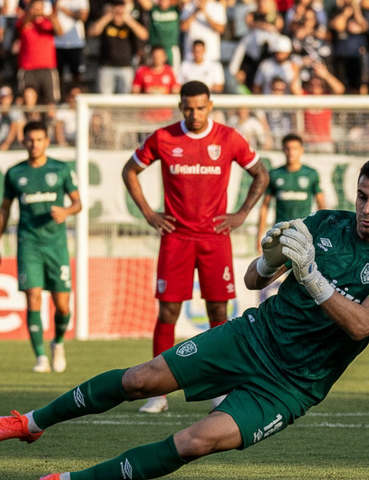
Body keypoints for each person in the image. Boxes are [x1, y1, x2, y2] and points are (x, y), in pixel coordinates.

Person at [0, 155, 369, 480]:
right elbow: (252, 280)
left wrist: (311, 276)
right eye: (363, 196)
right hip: (251, 337)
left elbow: (363, 324)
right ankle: (29, 423)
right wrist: (268, 260)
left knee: (194, 443)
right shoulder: (328, 221)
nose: (367, 209)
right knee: (140, 380)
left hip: (292, 385)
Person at [121, 80, 269, 413]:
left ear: (210, 106)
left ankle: (218, 387)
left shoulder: (228, 138)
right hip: (176, 238)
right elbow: (130, 171)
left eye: (201, 107)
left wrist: (242, 214)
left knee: (219, 312)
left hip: (215, 238)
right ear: (180, 106)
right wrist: (148, 213)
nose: (195, 113)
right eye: (188, 107)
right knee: (168, 311)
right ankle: (157, 392)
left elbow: (261, 174)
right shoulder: (164, 137)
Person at [0, 121, 82, 373]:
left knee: (62, 305)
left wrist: (65, 211)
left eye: (39, 140)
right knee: (33, 299)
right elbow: (5, 210)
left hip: (56, 245)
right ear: (24, 142)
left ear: (47, 141)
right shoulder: (14, 173)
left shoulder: (60, 169)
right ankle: (41, 357)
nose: (34, 144)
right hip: (28, 244)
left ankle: (59, 343)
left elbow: (77, 204)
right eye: (30, 140)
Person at [256, 133, 325, 253]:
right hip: (280, 234)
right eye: (288, 148)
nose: (291, 152)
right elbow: (264, 206)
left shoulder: (311, 174)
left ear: (301, 150)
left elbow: (321, 206)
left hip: (304, 233)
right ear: (283, 150)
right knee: (277, 270)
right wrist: (259, 235)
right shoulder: (274, 174)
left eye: (295, 148)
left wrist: (322, 232)